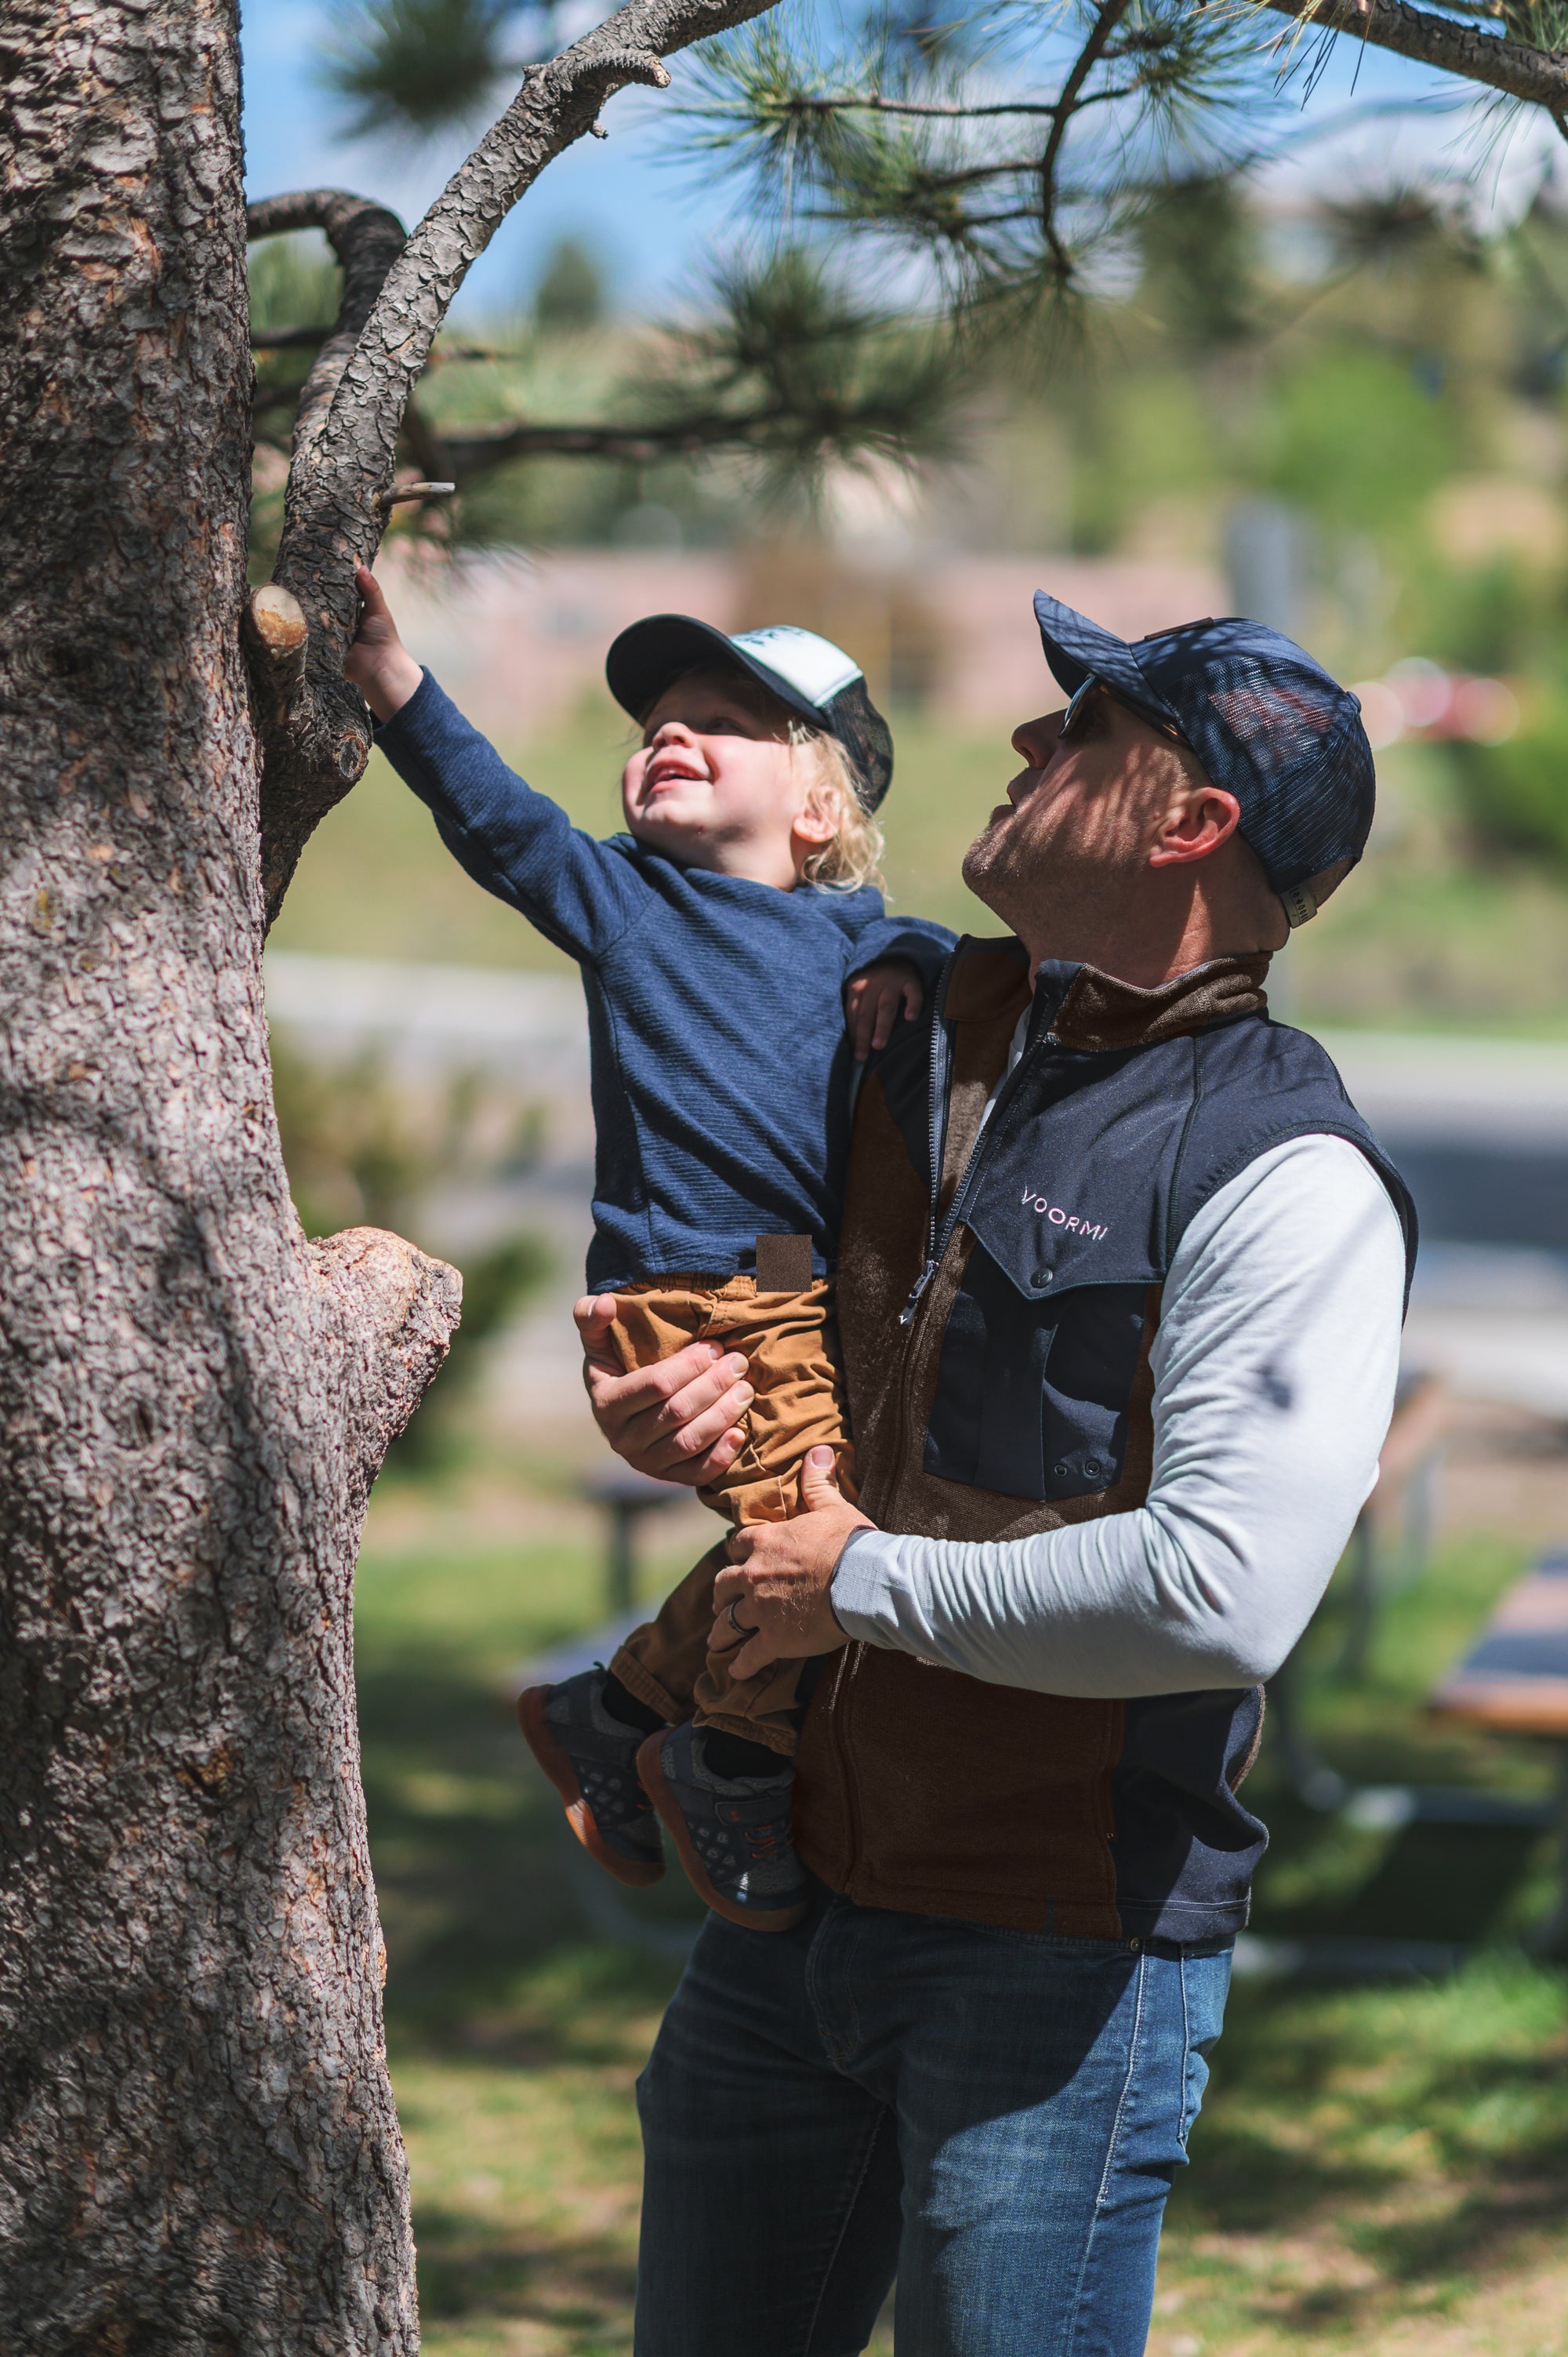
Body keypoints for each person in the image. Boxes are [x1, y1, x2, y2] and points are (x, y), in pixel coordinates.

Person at [579, 595, 1418, 2357]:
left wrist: (858, 1583)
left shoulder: (1283, 1171)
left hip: (1049, 1955)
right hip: (788, 1904)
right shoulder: (933, 1033)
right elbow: (832, 1376)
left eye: (1084, 732)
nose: (1027, 746)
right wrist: (687, 1423)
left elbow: (1219, 1594)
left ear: (1187, 825)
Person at [344, 572, 953, 1933]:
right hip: (687, 1291)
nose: (666, 737)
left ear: (817, 804)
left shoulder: (864, 939)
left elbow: (943, 945)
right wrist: (393, 682)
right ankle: (729, 1758)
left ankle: (613, 1705)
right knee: (819, 1527)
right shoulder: (629, 906)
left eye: (720, 720)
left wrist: (910, 955)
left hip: (792, 1297)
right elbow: (498, 820)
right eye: (653, 725)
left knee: (824, 1516)